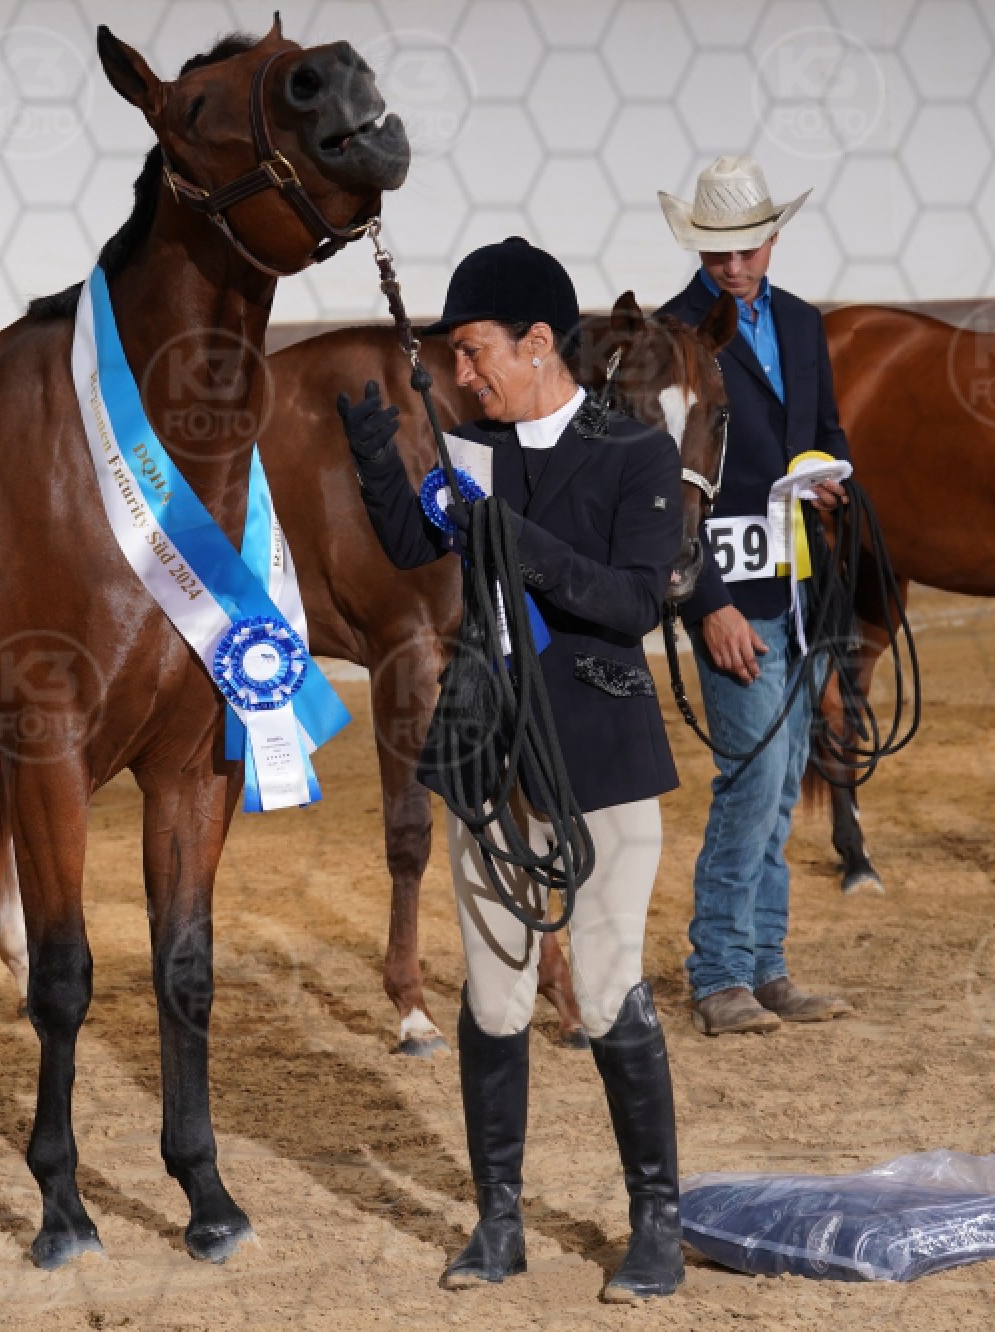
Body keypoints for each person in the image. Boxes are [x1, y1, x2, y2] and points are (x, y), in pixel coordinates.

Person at [337, 237, 686, 1303]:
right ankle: (498, 1224)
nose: (463, 372)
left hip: (601, 756)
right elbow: (415, 546)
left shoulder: (636, 453)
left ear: (537, 343)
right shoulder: (470, 451)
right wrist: (376, 464)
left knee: (608, 989)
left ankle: (656, 1225)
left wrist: (515, 538)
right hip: (487, 753)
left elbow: (634, 600)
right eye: (452, 355)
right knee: (492, 996)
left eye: (475, 351)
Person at [656, 156, 855, 1037]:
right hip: (731, 591)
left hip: (802, 583)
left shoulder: (804, 324)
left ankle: (766, 964)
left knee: (779, 788)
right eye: (718, 252)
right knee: (752, 778)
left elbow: (825, 433)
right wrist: (707, 603)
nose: (733, 266)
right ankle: (720, 973)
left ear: (772, 238)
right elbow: (663, 487)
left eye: (747, 248)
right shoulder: (671, 336)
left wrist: (830, 477)